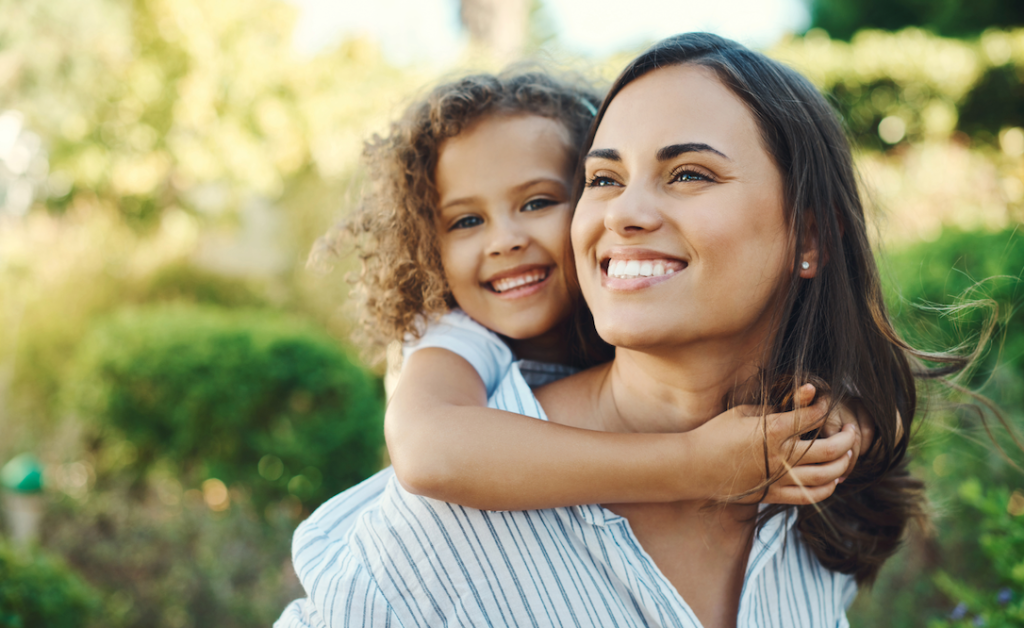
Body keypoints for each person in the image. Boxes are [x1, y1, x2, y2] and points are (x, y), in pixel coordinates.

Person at [277, 39, 913, 627]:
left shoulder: (812, 484)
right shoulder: (442, 514)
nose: (624, 213)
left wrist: (845, 413)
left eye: (689, 173)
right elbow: (428, 448)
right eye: (605, 179)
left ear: (811, 237)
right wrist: (696, 466)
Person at [321, 70, 865, 515]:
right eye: (465, 221)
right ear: (426, 246)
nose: (505, 241)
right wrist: (694, 465)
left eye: (536, 204)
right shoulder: (457, 339)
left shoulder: (634, 314)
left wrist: (832, 424)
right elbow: (428, 452)